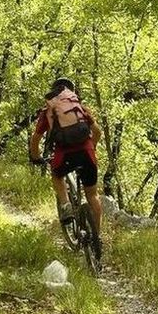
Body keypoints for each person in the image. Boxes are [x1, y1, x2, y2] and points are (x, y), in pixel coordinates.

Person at [29, 77, 103, 237]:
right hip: (87, 153)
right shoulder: (81, 109)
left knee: (56, 175)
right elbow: (97, 132)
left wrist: (35, 157)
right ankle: (97, 237)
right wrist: (92, 148)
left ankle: (65, 204)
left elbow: (36, 137)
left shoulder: (49, 111)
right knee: (92, 194)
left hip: (65, 154)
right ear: (72, 93)